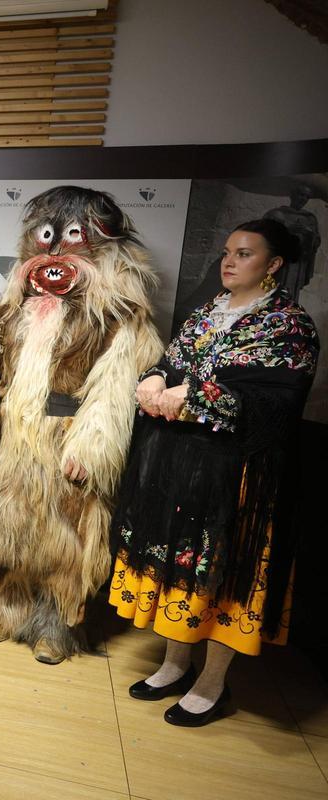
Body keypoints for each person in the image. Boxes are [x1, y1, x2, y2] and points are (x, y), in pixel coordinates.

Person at [109, 219, 318, 727]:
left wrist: (197, 396)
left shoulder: (289, 326)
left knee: (220, 576)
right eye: (227, 251)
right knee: (179, 568)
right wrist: (156, 377)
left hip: (237, 476)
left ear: (272, 265)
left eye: (243, 254)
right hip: (183, 469)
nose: (228, 261)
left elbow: (275, 402)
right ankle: (174, 664)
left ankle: (211, 683)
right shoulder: (206, 314)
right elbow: (175, 363)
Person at [0, 186, 162, 664]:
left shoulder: (116, 320)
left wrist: (89, 449)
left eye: (71, 239)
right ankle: (5, 610)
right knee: (7, 534)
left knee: (62, 543)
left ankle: (56, 626)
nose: (53, 254)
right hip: (12, 446)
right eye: (45, 239)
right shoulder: (9, 314)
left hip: (64, 443)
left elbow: (114, 392)